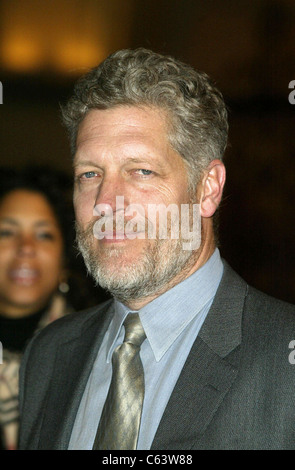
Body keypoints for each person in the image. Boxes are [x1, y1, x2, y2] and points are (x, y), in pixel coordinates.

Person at [18, 48, 295, 450]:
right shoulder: (48, 355)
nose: (106, 202)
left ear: (208, 188)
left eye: (141, 172)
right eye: (89, 173)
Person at [0, 166, 76, 450]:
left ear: (64, 260)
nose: (26, 247)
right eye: (7, 232)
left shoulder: (98, 352)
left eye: (44, 235)